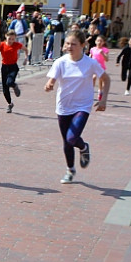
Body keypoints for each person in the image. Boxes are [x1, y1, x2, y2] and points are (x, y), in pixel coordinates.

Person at [46, 30, 109, 184]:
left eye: (73, 44)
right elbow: (52, 80)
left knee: (72, 137)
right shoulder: (60, 62)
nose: (69, 46)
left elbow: (106, 79)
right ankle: (70, 170)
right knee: (66, 142)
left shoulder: (90, 63)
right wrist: (49, 85)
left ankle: (84, 147)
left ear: (82, 45)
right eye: (67, 43)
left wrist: (103, 100)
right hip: (63, 106)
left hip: (83, 105)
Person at [0, 30, 26, 113]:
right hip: (4, 67)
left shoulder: (17, 45)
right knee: (5, 89)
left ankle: (15, 86)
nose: (11, 41)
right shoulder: (2, 45)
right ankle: (10, 104)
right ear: (5, 36)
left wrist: (26, 58)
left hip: (13, 67)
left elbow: (26, 49)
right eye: (9, 39)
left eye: (13, 39)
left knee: (9, 82)